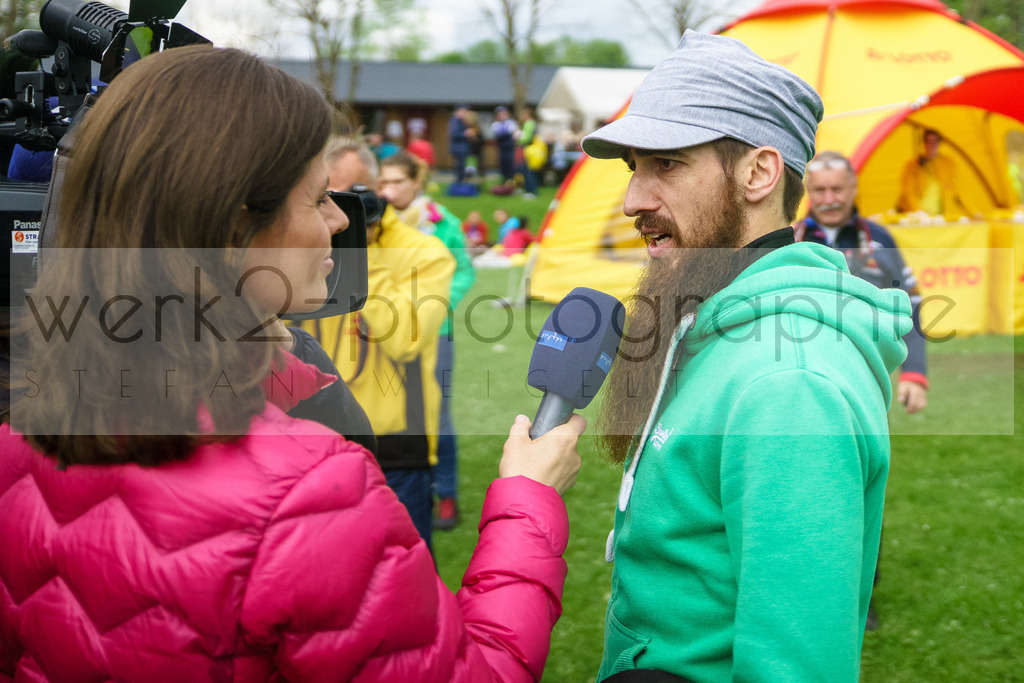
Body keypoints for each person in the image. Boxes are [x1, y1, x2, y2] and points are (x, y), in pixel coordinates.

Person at [0, 45, 586, 680]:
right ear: (230, 229)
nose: (341, 219)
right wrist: (528, 502)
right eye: (316, 200)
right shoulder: (306, 493)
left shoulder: (20, 438)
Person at [583, 31, 912, 681]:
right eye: (633, 168)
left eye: (667, 165)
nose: (633, 201)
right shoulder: (712, 313)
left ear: (760, 172)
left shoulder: (790, 380)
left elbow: (798, 666)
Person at [798, 150, 928, 631]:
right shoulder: (788, 239)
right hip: (800, 389)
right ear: (807, 193)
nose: (829, 199)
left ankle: (860, 594)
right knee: (799, 487)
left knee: (859, 491)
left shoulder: (882, 240)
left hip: (866, 393)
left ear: (853, 189)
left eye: (837, 189)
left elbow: (913, 308)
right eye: (819, 190)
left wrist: (914, 373)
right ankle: (799, 584)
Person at [306, 139, 454, 550]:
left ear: (377, 192)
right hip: (314, 436)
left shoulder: (427, 252)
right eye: (322, 198)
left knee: (405, 575)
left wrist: (362, 252)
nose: (336, 215)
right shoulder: (306, 247)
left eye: (350, 197)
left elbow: (407, 339)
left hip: (395, 445)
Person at [378, 151, 476, 530]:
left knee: (438, 415)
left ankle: (445, 494)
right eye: (382, 183)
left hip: (436, 334)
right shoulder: (376, 222)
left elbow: (463, 272)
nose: (388, 190)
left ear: (416, 182)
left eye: (396, 182)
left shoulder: (443, 223)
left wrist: (435, 307)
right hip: (386, 331)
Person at [895, 128, 975, 216]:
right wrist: (918, 211)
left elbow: (960, 190)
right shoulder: (911, 165)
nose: (932, 145)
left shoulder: (948, 163)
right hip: (916, 215)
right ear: (924, 143)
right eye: (929, 141)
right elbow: (908, 191)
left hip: (939, 214)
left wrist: (974, 212)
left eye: (935, 141)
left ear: (939, 143)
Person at [515, 106, 540, 199]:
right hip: (529, 150)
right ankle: (530, 190)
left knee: (528, 171)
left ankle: (531, 191)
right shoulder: (530, 123)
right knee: (527, 170)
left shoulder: (529, 123)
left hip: (528, 151)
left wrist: (518, 138)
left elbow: (527, 138)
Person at [491, 105, 518, 184]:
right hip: (501, 149)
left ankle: (512, 183)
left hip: (510, 149)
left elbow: (513, 134)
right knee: (503, 167)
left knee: (512, 166)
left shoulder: (511, 123)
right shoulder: (496, 125)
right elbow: (498, 135)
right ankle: (504, 183)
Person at [448, 104, 471, 184]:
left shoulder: (462, 121)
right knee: (459, 167)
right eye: (464, 111)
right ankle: (459, 184)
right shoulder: (455, 121)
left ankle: (461, 183)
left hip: (462, 149)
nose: (465, 113)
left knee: (462, 167)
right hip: (458, 149)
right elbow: (454, 134)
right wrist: (465, 133)